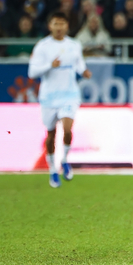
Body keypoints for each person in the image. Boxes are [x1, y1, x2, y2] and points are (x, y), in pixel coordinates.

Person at [27, 11, 92, 188]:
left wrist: (83, 71)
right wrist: (50, 65)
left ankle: (64, 160)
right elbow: (32, 73)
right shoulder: (42, 47)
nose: (59, 27)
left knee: (68, 127)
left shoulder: (74, 45)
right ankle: (52, 170)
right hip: (49, 96)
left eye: (62, 23)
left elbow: (78, 63)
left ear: (67, 26)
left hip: (69, 94)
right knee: (50, 135)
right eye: (56, 23)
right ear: (50, 26)